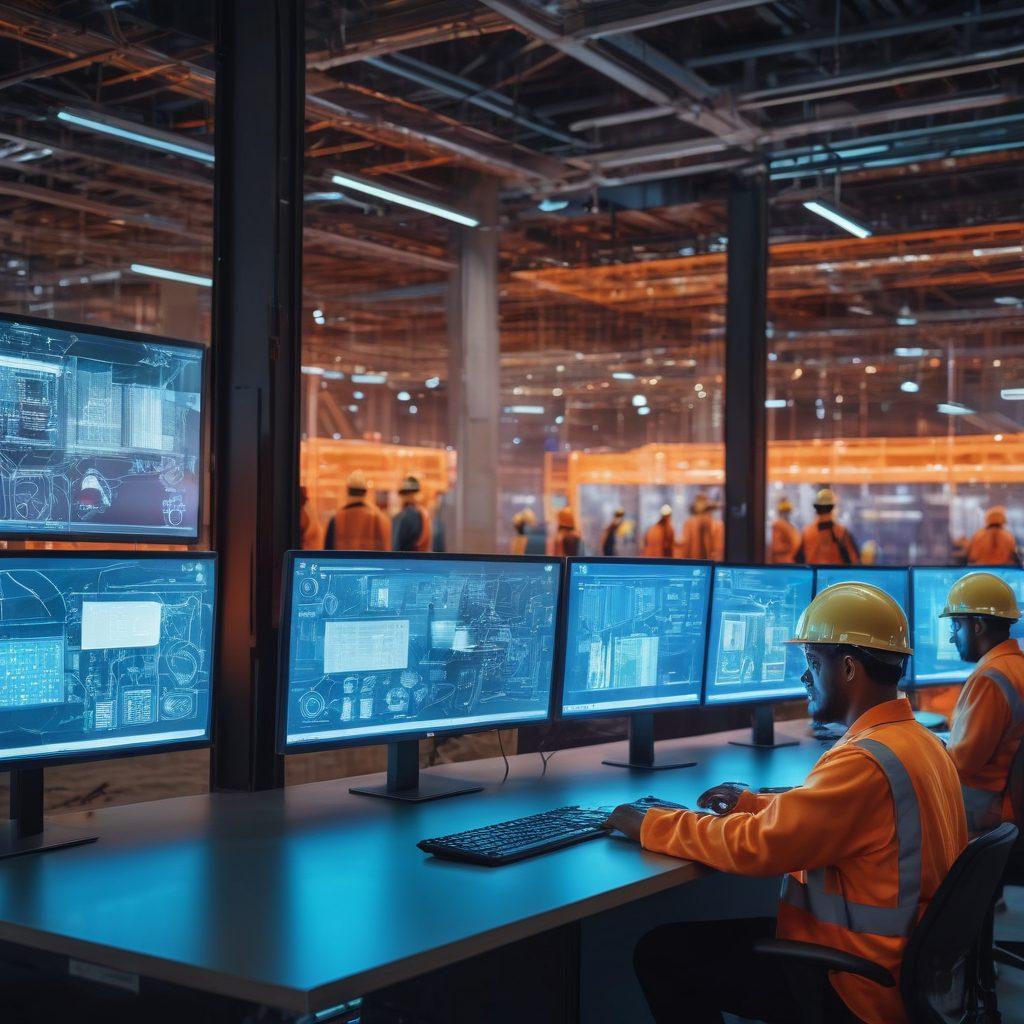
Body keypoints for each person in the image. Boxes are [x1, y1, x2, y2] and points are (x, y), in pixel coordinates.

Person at [605, 582, 966, 1024]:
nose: (804, 678)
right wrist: (753, 805)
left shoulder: (864, 762)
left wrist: (650, 824)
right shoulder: (921, 743)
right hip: (903, 971)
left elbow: (759, 847)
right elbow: (832, 819)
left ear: (849, 669)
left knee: (663, 954)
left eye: (813, 663)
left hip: (853, 982)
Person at [942, 571, 1024, 835]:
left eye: (956, 625)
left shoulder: (991, 679)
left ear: (977, 626)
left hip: (982, 811)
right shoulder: (1016, 667)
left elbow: (960, 764)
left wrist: (924, 747)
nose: (953, 637)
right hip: (1005, 803)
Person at [324, 470, 390, 551]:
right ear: (365, 492)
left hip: (343, 563)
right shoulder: (378, 518)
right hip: (370, 563)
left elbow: (328, 552)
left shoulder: (336, 518)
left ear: (347, 491)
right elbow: (385, 549)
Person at [795, 487, 860, 565]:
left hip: (814, 575)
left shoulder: (806, 532)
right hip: (836, 576)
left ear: (816, 508)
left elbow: (798, 560)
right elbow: (853, 559)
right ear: (832, 508)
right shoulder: (841, 532)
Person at [677, 493, 724, 561]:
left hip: (709, 563)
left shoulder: (717, 526)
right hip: (695, 563)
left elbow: (718, 548)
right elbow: (685, 547)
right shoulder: (689, 524)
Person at [392, 475, 432, 553]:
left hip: (404, 560)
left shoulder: (403, 517)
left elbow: (396, 546)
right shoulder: (423, 514)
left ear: (407, 495)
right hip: (421, 559)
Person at [768, 497, 801, 564]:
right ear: (780, 513)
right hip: (782, 562)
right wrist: (789, 546)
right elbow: (776, 547)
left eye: (787, 512)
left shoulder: (788, 525)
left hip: (789, 560)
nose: (786, 514)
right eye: (785, 512)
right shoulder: (778, 525)